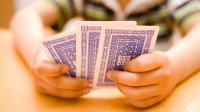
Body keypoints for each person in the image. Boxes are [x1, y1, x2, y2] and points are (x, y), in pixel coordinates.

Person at [10, 0, 200, 108]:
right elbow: (25, 17)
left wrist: (175, 68)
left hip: (154, 101)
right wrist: (36, 57)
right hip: (87, 101)